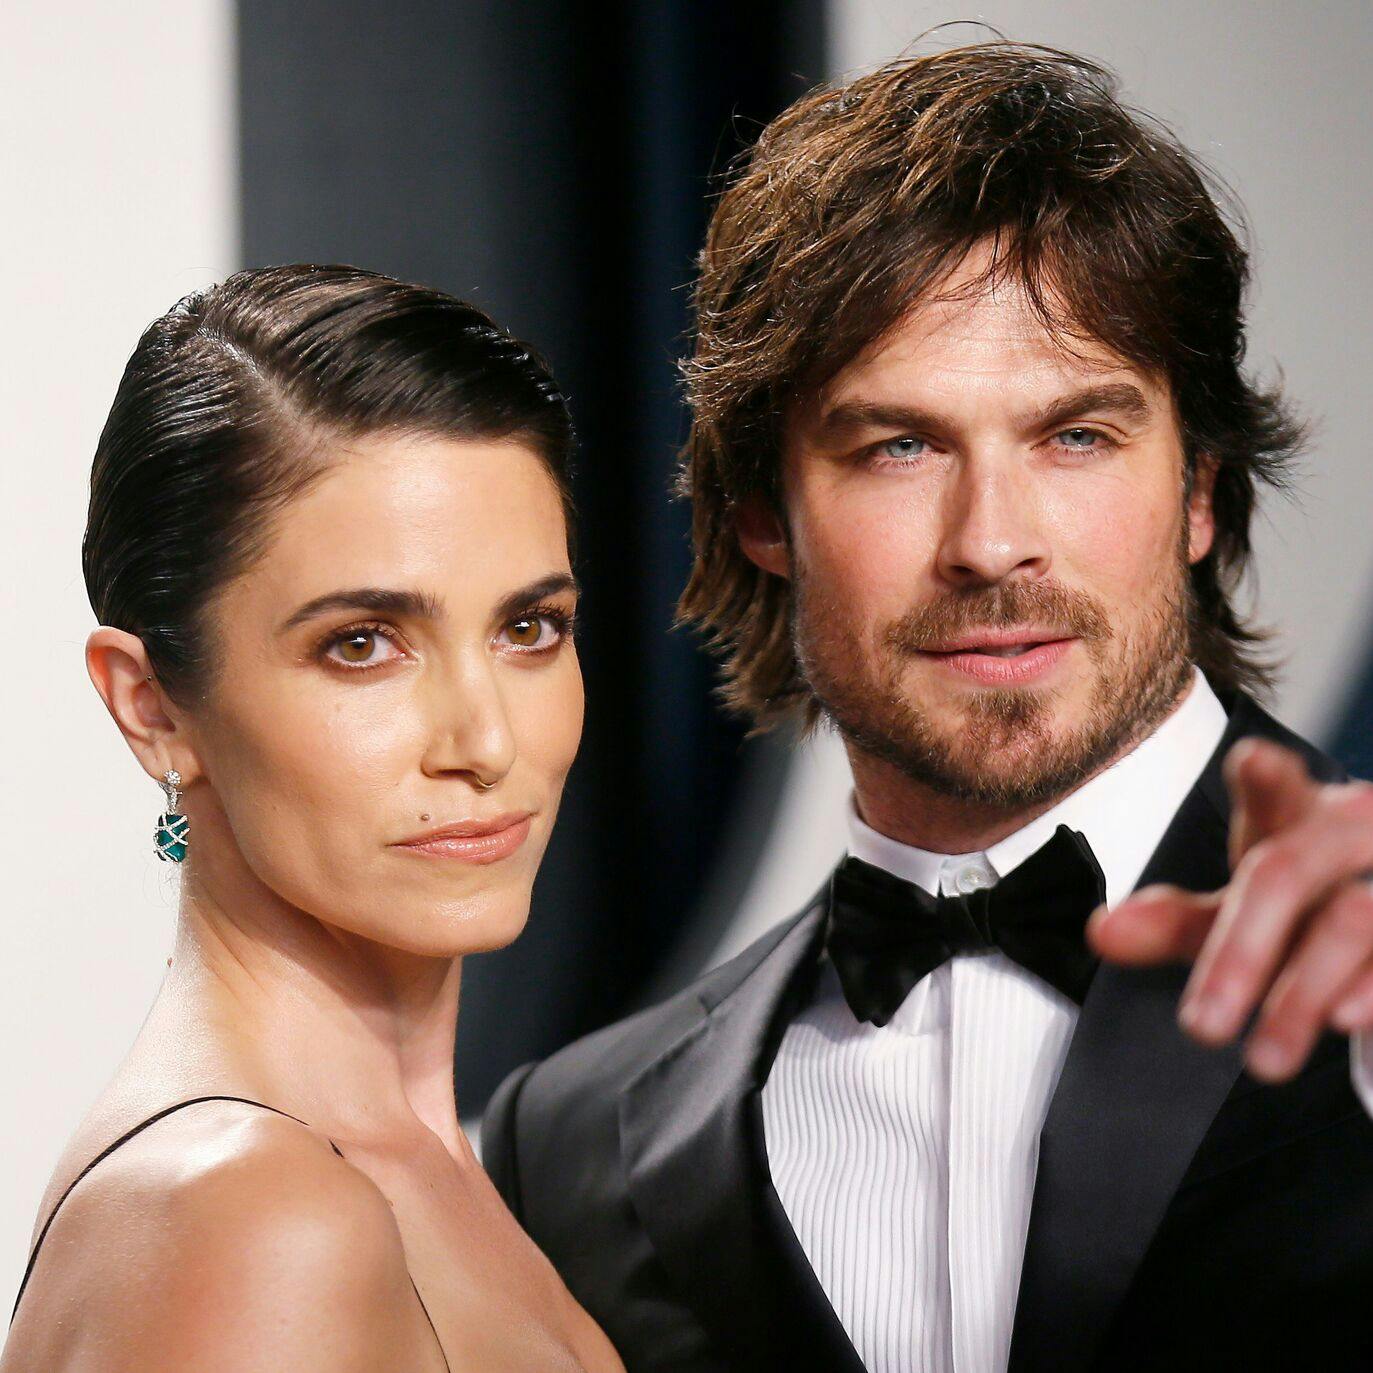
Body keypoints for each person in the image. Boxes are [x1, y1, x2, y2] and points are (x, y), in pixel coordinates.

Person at [481, 42, 1373, 1373]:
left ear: (1199, 489)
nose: (991, 542)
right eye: (898, 446)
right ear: (758, 515)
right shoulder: (563, 1147)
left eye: (1076, 435)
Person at [2, 266, 623, 1373]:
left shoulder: (402, 1166)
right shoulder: (256, 1215)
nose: (483, 741)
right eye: (361, 643)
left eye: (528, 627)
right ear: (151, 708)